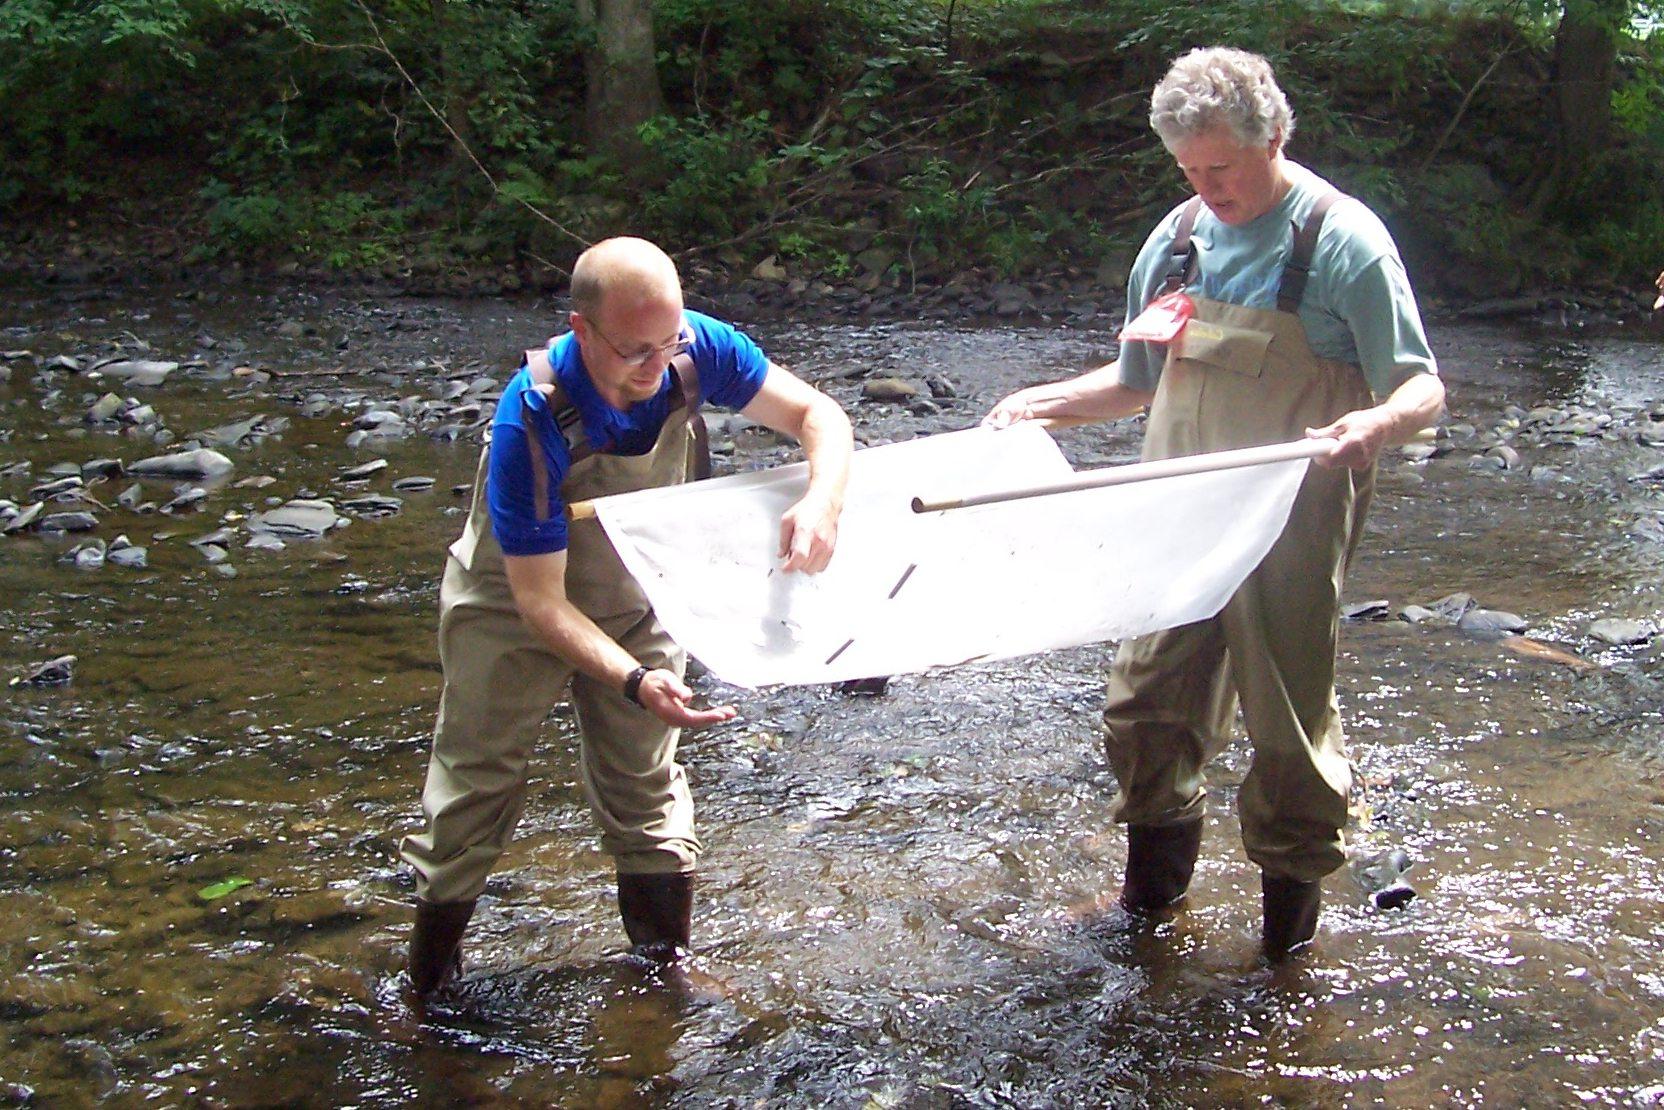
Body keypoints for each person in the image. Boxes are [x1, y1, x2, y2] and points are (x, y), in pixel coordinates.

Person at [984, 48, 1445, 958]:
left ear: (1273, 137)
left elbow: (1423, 388)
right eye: (1188, 169)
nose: (1205, 187)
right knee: (1143, 705)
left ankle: (1286, 952)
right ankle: (1150, 914)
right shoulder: (1178, 239)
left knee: (1288, 731)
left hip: (1292, 520)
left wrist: (1373, 428)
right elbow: (1132, 383)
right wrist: (1043, 402)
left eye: (1220, 168)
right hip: (1178, 520)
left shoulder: (1341, 242)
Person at [399, 236, 853, 1003]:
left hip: (639, 592)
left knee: (646, 785)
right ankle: (427, 988)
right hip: (511, 602)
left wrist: (822, 501)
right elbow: (541, 603)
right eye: (634, 351)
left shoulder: (696, 349)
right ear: (582, 330)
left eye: (668, 344)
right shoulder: (530, 419)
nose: (656, 367)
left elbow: (819, 415)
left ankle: (664, 978)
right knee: (476, 785)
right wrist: (633, 679)